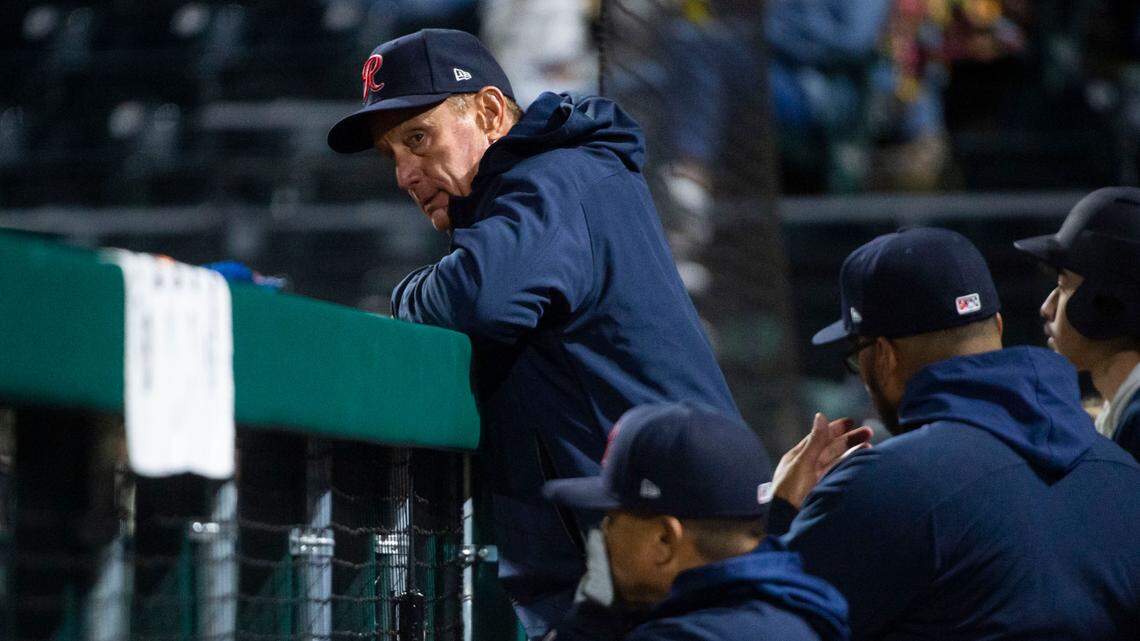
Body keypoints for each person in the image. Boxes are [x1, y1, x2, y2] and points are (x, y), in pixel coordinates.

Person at [326, 29, 740, 638]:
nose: (405, 175)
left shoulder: (556, 178)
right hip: (644, 569)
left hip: (669, 571)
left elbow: (479, 300)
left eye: (418, 138)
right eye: (391, 155)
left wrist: (405, 295)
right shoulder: (541, 192)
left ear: (490, 111)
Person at [768, 227, 1140, 640]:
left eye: (858, 358)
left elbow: (759, 625)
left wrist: (782, 513)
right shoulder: (1123, 473)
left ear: (883, 356)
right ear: (997, 326)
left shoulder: (883, 486)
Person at [543, 402, 850, 641]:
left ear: (665, 539)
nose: (603, 534)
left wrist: (589, 619)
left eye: (611, 519)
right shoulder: (795, 612)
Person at [1015, 186, 1140, 461]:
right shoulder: (1120, 411)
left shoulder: (1137, 422)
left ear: (1109, 301)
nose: (1047, 308)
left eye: (1063, 286)